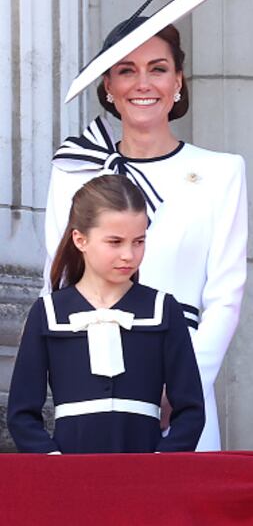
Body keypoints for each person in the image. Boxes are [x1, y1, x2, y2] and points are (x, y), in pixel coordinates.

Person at [44, 0, 247, 451]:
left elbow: (225, 295)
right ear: (108, 88)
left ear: (178, 81)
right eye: (126, 71)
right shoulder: (74, 171)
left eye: (158, 69)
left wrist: (183, 384)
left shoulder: (222, 172)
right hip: (95, 385)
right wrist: (81, 380)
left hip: (182, 385)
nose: (143, 83)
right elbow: (56, 285)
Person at [8, 175, 204, 453]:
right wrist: (51, 461)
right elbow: (21, 413)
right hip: (70, 472)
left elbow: (191, 409)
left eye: (138, 241)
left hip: (146, 472)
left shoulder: (163, 310)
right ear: (80, 239)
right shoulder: (48, 312)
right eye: (115, 242)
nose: (129, 255)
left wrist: (164, 461)